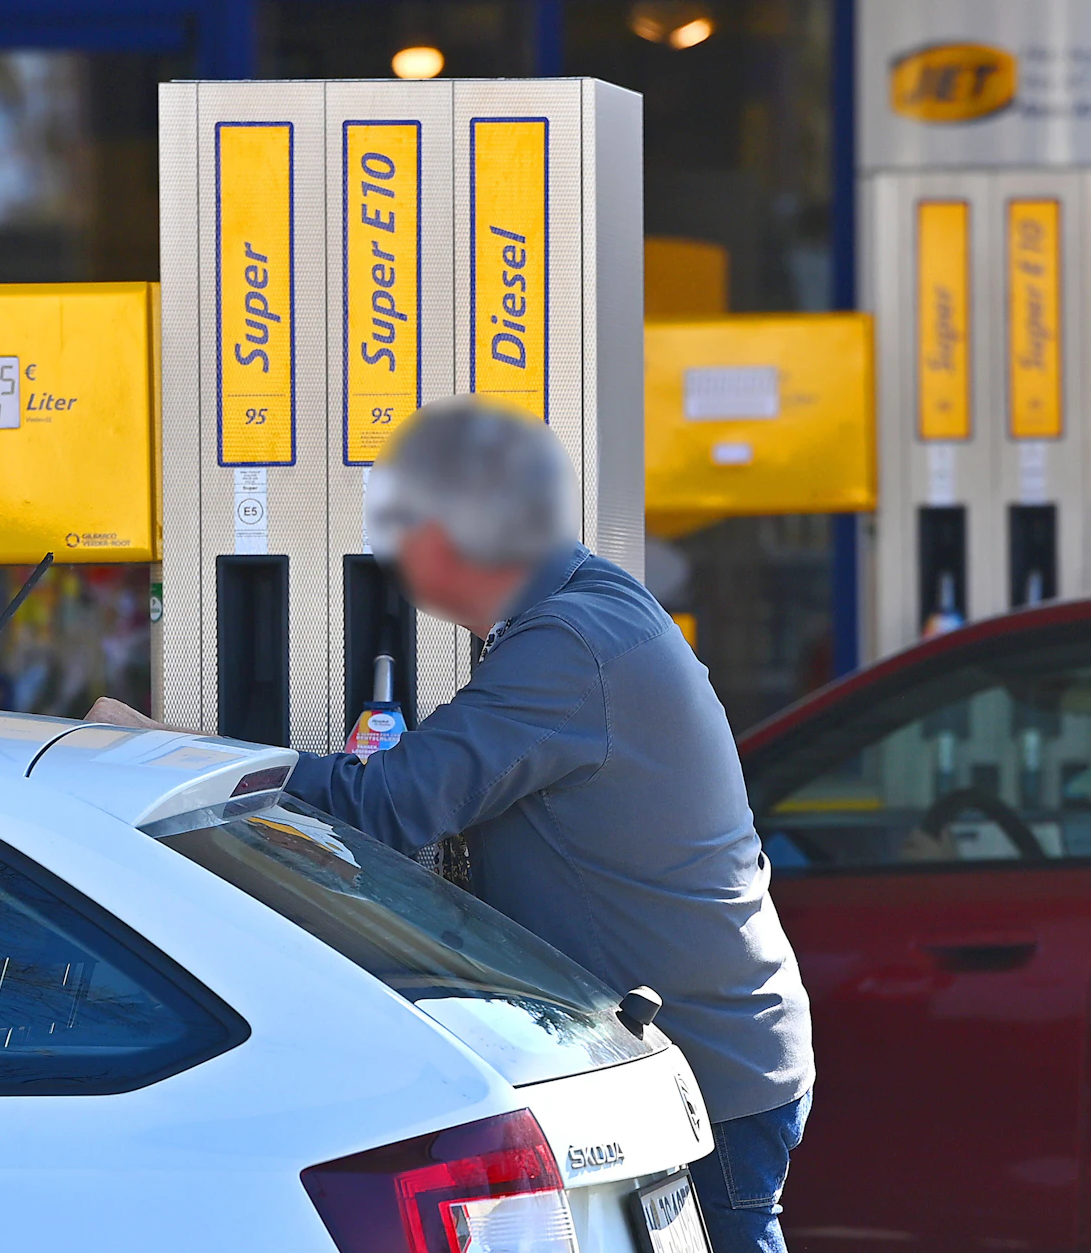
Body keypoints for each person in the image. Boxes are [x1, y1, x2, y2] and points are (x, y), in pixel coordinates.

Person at [89, 396, 813, 1253]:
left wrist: (167, 757)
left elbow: (385, 807)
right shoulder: (588, 609)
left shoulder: (566, 647)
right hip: (707, 1041)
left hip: (701, 1063)